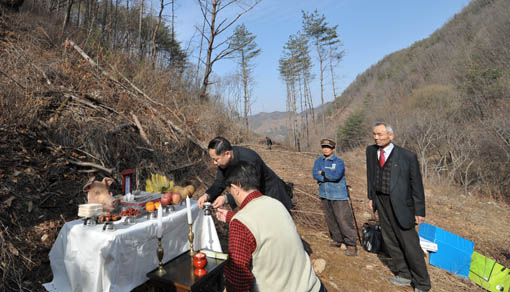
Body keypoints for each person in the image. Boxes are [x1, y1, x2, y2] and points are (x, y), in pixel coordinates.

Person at [215, 161, 326, 292]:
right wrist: (232, 217)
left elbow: (238, 278)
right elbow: (264, 226)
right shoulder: (276, 204)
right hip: (314, 287)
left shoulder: (241, 223)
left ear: (236, 187)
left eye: (231, 191)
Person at [366, 122, 431, 292]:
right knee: (390, 240)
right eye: (374, 134)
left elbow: (416, 185)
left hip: (402, 205)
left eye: (379, 134)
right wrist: (371, 197)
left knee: (410, 245)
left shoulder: (407, 156)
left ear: (391, 135)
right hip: (381, 201)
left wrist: (419, 210)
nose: (376, 137)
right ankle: (403, 274)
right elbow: (370, 175)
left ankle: (422, 283)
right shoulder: (371, 151)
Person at [197, 136, 292, 211]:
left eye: (216, 159)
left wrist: (226, 199)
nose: (214, 163)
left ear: (227, 154)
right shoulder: (224, 162)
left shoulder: (250, 160)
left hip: (272, 195)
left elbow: (251, 190)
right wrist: (207, 195)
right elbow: (220, 182)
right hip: (256, 200)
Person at [312, 138, 358, 256]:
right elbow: (315, 174)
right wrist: (324, 176)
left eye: (328, 147)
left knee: (343, 219)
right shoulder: (318, 161)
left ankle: (351, 244)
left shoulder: (338, 162)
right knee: (331, 218)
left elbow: (336, 176)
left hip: (338, 195)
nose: (326, 149)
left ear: (333, 149)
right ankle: (338, 240)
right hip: (324, 194)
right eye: (324, 147)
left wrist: (323, 174)